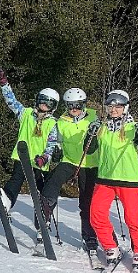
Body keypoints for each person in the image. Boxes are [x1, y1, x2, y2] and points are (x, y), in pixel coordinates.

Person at [84, 89, 138, 270]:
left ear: (126, 107)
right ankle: (111, 248)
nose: (114, 109)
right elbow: (89, 150)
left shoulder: (133, 127)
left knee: (133, 218)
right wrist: (90, 134)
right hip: (105, 178)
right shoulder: (101, 127)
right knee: (96, 215)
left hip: (129, 179)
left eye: (118, 106)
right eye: (110, 106)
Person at [37, 87, 100, 259]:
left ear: (83, 104)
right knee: (51, 183)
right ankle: (44, 219)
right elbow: (56, 141)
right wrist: (55, 152)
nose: (74, 109)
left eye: (77, 105)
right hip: (69, 161)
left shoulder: (94, 118)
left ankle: (90, 237)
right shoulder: (61, 122)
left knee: (87, 202)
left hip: (90, 164)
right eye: (70, 105)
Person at [0, 69, 59, 213]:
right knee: (16, 178)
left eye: (48, 103)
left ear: (53, 107)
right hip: (23, 156)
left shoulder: (53, 123)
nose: (44, 105)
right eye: (42, 100)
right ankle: (8, 199)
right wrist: (4, 85)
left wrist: (45, 158)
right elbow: (12, 101)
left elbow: (51, 144)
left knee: (42, 188)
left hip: (39, 161)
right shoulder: (26, 114)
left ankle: (45, 211)